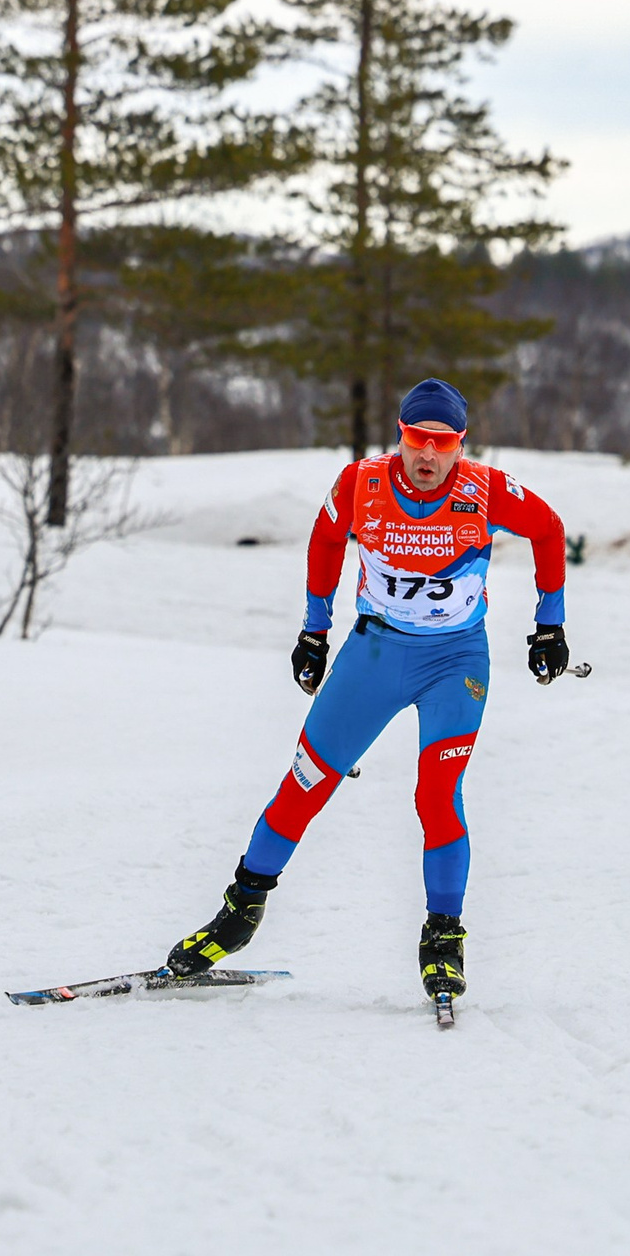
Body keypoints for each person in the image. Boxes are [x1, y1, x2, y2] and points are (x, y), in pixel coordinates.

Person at [163, 379, 571, 1010]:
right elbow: (326, 540)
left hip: (454, 663)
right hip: (374, 655)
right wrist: (314, 631)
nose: (428, 456)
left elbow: (549, 530)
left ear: (462, 445)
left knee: (436, 796)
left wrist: (550, 625)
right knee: (306, 780)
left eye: (443, 444)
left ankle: (443, 936)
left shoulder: (485, 490)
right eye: (416, 440)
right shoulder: (361, 483)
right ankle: (240, 911)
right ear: (399, 435)